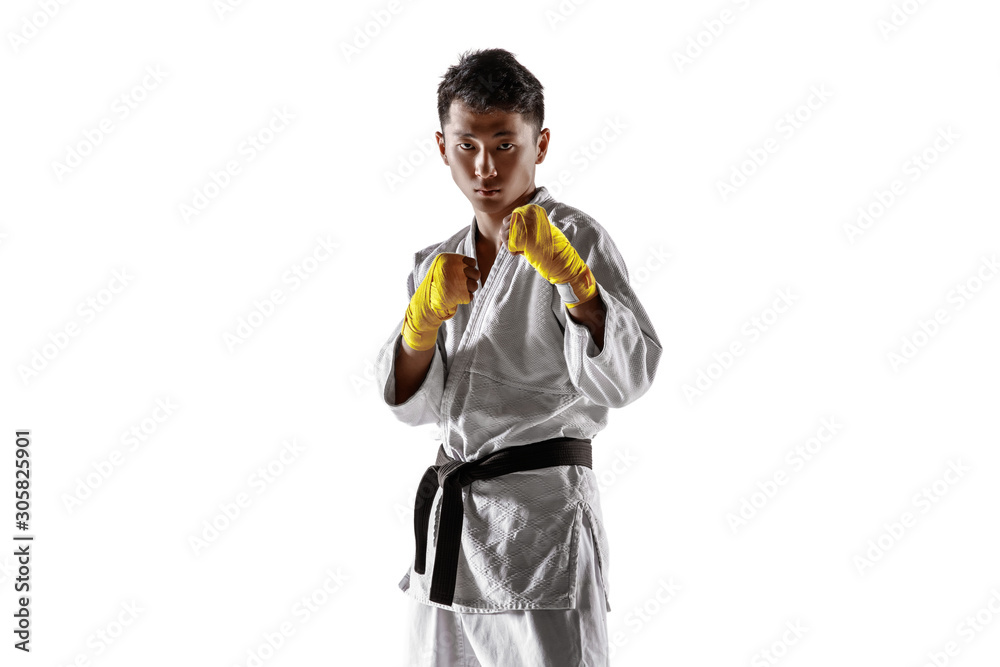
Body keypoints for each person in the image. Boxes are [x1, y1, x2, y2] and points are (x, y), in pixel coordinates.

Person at [373, 47, 662, 666]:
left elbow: (628, 378)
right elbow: (411, 406)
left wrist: (577, 284)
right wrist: (420, 324)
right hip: (453, 529)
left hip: (539, 526)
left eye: (505, 144)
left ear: (541, 144)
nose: (485, 166)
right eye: (467, 145)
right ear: (442, 147)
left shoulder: (575, 238)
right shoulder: (436, 263)